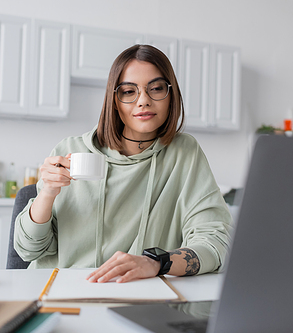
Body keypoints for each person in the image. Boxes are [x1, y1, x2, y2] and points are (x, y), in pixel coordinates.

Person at [14, 44, 232, 283]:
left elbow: (217, 243)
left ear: (171, 95)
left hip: (138, 292)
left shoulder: (184, 153)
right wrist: (47, 193)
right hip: (62, 289)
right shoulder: (70, 151)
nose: (144, 101)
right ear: (115, 100)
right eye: (129, 91)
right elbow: (28, 251)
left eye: (156, 88)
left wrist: (157, 262)